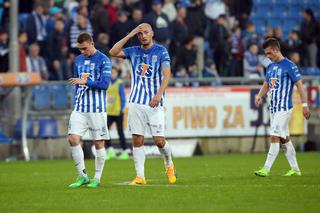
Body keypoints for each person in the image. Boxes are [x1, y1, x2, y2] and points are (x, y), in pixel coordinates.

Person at [109, 23, 177, 185]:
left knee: (159, 141)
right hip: (136, 102)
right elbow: (113, 52)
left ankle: (169, 164)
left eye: (146, 32)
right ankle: (140, 176)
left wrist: (159, 95)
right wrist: (130, 34)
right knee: (137, 139)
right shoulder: (134, 51)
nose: (143, 36)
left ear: (152, 33)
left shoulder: (161, 51)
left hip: (154, 102)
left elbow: (167, 74)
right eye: (140, 34)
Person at [254, 38, 311, 177]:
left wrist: (305, 105)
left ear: (276, 50)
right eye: (266, 54)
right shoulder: (271, 67)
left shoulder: (290, 65)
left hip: (284, 108)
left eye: (269, 53)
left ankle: (266, 169)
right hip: (273, 108)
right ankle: (295, 169)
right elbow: (267, 84)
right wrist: (259, 95)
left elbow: (300, 87)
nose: (267, 57)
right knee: (284, 138)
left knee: (274, 135)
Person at [68, 32, 112, 188]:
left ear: (92, 43)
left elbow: (105, 85)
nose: (82, 52)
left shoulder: (104, 60)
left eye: (84, 48)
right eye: (80, 49)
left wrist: (85, 81)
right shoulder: (78, 60)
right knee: (72, 139)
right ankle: (82, 176)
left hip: (96, 109)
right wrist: (77, 95)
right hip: (80, 107)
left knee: (98, 143)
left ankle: (97, 178)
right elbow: (76, 82)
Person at [105, 67, 129, 160]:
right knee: (105, 131)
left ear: (117, 73)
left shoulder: (119, 83)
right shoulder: (107, 83)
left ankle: (125, 151)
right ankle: (110, 149)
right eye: (111, 72)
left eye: (114, 72)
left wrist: (122, 109)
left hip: (118, 111)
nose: (112, 74)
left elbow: (122, 97)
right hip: (109, 111)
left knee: (120, 132)